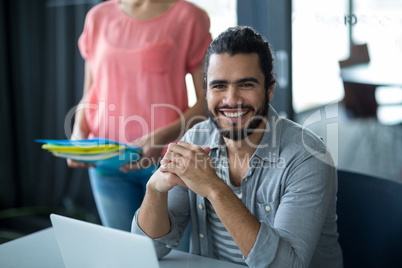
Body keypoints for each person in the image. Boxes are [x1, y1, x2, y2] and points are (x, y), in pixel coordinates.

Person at [132, 26, 343, 267]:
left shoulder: (308, 156)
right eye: (219, 86)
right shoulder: (196, 139)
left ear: (269, 89)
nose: (231, 100)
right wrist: (155, 190)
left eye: (246, 85)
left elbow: (285, 265)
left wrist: (214, 188)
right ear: (206, 92)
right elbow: (151, 249)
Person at [67, 0, 212, 232]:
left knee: (173, 257)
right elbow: (91, 93)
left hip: (167, 165)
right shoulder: (97, 17)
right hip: (107, 164)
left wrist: (162, 137)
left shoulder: (189, 17)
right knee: (125, 254)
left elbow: (208, 102)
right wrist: (77, 134)